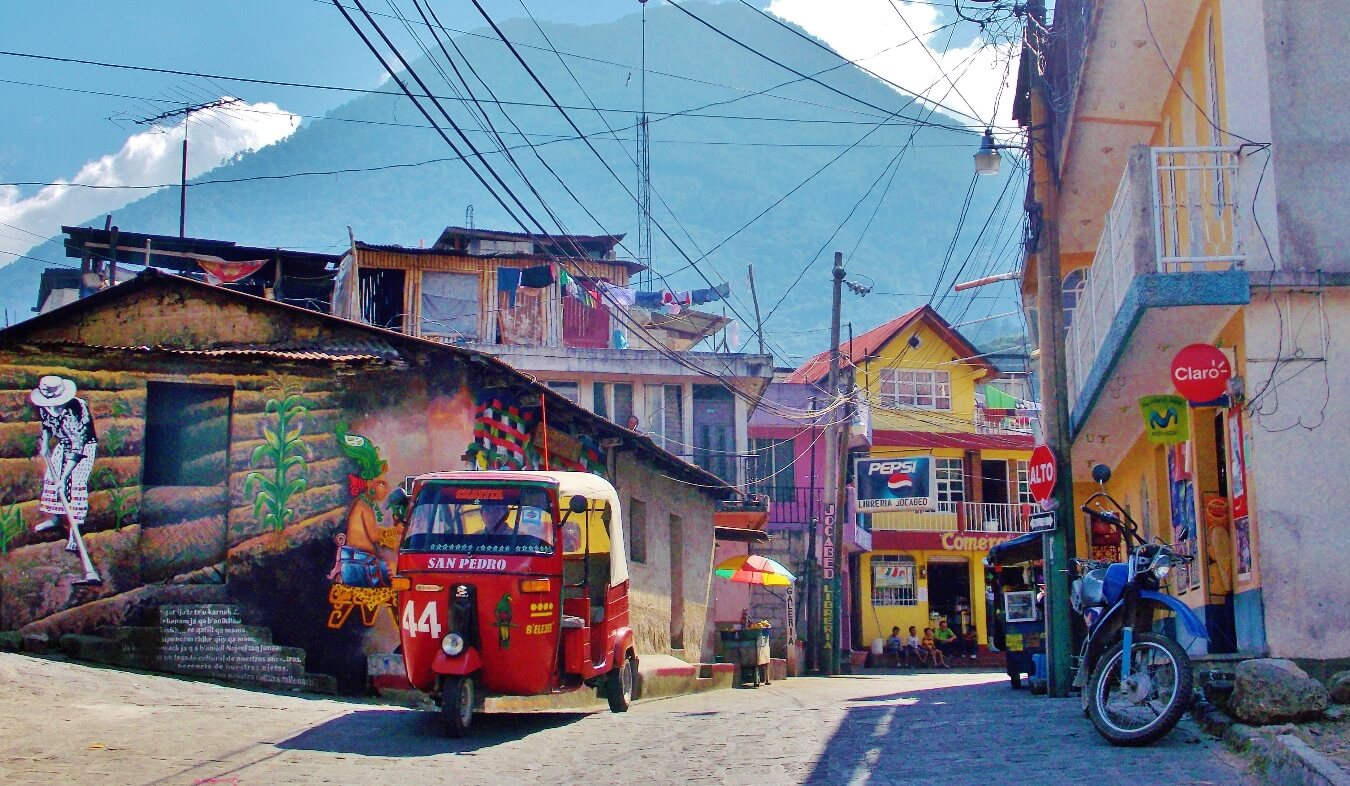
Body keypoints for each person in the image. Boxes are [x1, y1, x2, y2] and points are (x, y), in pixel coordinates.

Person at [31, 376, 101, 586]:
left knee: (75, 484)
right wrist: (45, 443)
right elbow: (46, 423)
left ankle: (74, 532)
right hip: (63, 443)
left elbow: (78, 447)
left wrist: (64, 477)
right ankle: (54, 518)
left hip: (83, 448)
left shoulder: (76, 411)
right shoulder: (45, 406)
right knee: (51, 479)